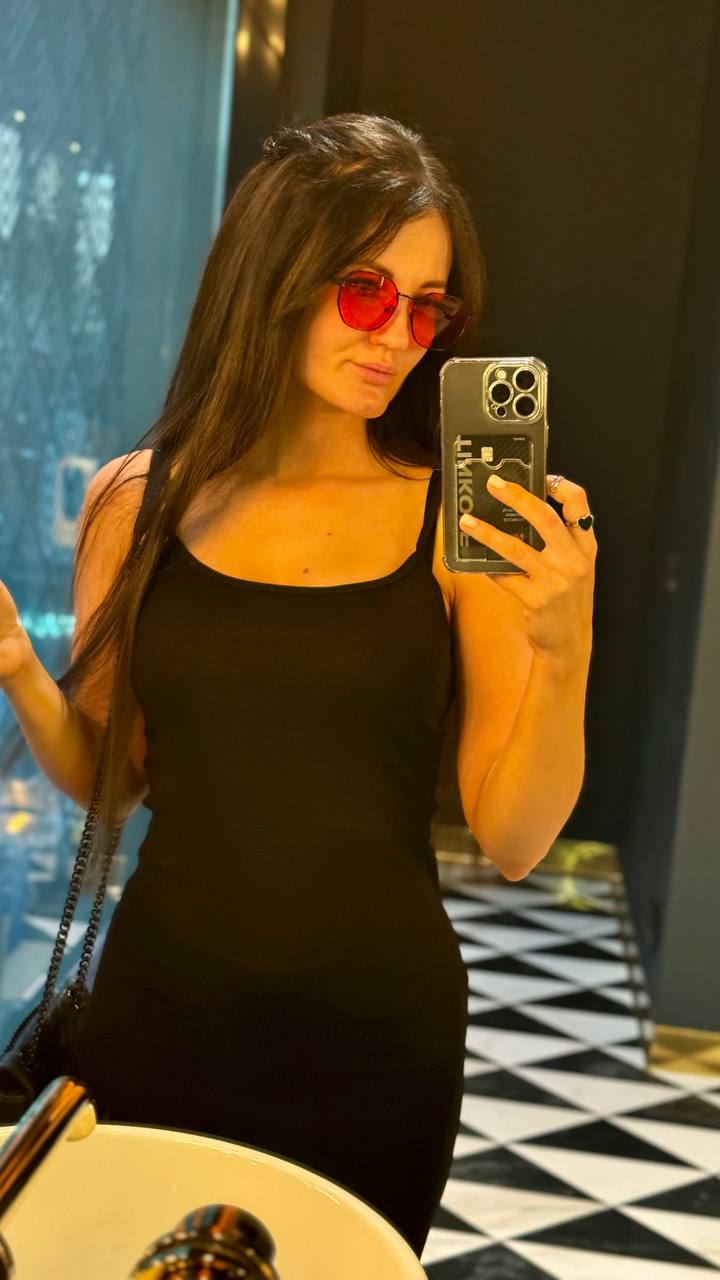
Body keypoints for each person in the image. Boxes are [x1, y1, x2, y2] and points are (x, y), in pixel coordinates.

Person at [0, 112, 596, 1259]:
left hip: (374, 1047)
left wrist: (563, 649)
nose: (400, 337)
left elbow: (515, 836)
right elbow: (115, 784)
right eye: (366, 292)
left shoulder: (453, 524)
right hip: (160, 1020)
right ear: (274, 272)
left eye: (428, 308)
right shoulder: (137, 502)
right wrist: (24, 669)